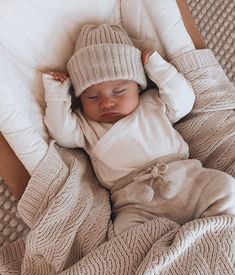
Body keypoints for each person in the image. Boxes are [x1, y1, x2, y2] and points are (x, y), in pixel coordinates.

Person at [42, 23, 235, 234]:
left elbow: (184, 100)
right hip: (135, 202)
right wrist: (57, 92)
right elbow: (60, 132)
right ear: (80, 98)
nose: (106, 103)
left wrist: (157, 68)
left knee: (225, 187)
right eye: (92, 96)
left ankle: (213, 234)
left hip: (187, 182)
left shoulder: (152, 103)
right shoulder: (86, 126)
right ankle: (172, 252)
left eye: (120, 91)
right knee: (126, 233)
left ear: (138, 86)